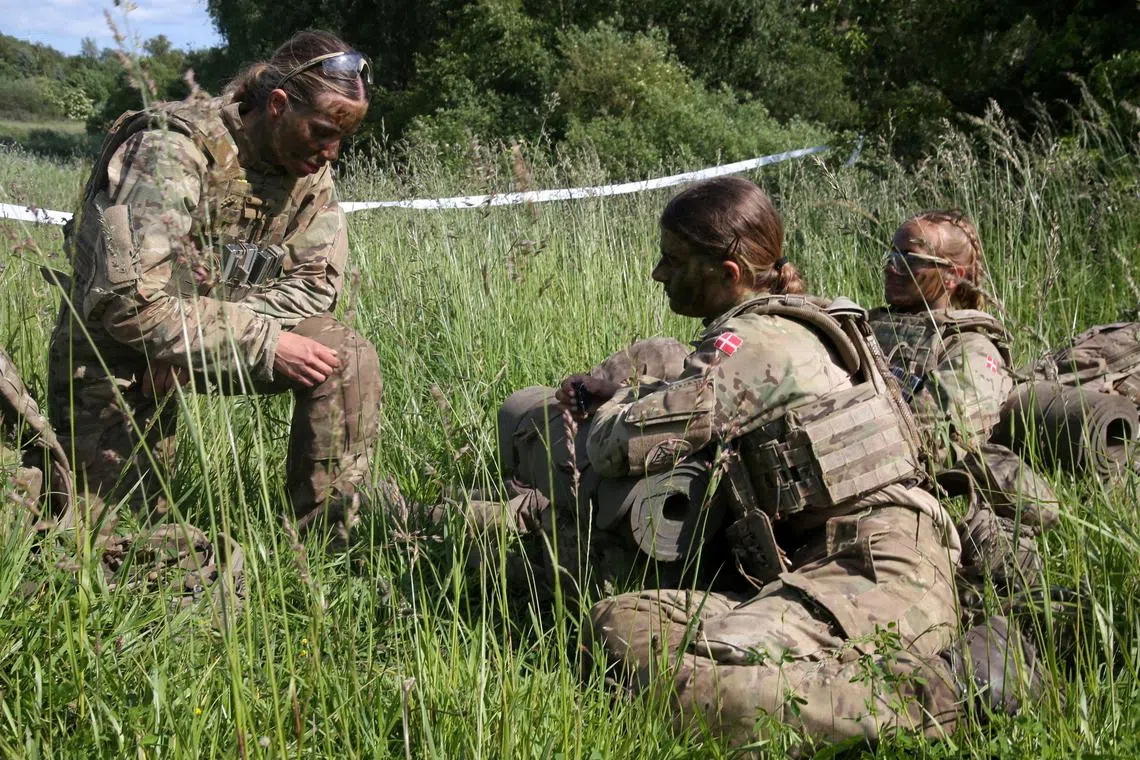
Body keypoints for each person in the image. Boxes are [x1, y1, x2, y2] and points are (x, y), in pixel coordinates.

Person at [583, 178, 1041, 749]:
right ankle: (813, 674)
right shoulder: (787, 323)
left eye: (673, 261)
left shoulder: (760, 341)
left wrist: (615, 400)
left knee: (698, 695)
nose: (658, 273)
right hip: (807, 557)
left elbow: (612, 443)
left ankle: (957, 690)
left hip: (875, 562)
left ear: (728, 273)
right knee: (618, 621)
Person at [47, 31, 381, 536]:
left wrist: (222, 339)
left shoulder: (307, 169)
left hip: (218, 339)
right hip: (119, 349)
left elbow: (316, 281)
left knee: (345, 357)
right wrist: (251, 341)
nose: (332, 152)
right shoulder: (171, 149)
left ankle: (330, 532)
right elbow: (125, 301)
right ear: (278, 105)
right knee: (113, 535)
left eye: (342, 138)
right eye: (320, 132)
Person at [868, 212, 1058, 596]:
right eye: (891, 254)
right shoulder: (872, 324)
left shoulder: (971, 347)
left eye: (909, 260)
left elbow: (935, 439)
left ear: (951, 276)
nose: (891, 267)